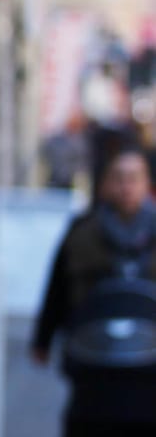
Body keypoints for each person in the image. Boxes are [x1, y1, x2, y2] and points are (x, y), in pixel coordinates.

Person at [31, 144, 156, 365]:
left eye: (134, 179)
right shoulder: (82, 231)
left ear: (147, 184)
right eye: (119, 178)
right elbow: (57, 287)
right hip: (91, 352)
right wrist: (42, 341)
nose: (126, 187)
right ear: (106, 183)